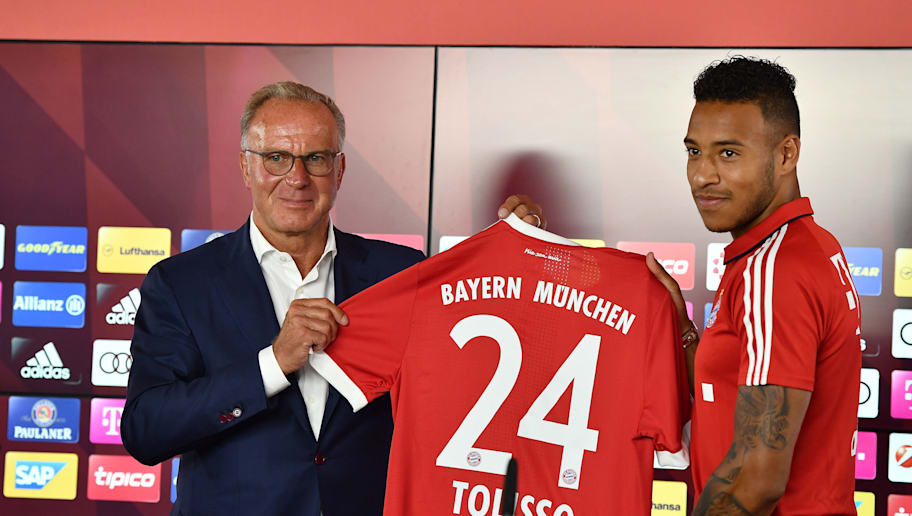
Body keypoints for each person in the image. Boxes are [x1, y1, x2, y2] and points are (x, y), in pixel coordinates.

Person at [120, 81, 546, 516]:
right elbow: (146, 430)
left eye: (316, 159)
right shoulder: (181, 283)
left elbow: (483, 359)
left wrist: (519, 256)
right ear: (246, 168)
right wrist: (272, 364)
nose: (298, 178)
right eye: (276, 158)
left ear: (339, 171)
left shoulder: (400, 274)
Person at [646, 57, 861, 515]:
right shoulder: (802, 246)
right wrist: (681, 326)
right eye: (693, 151)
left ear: (786, 155)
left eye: (728, 153)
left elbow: (755, 479)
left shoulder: (774, 268)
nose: (703, 175)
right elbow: (726, 389)